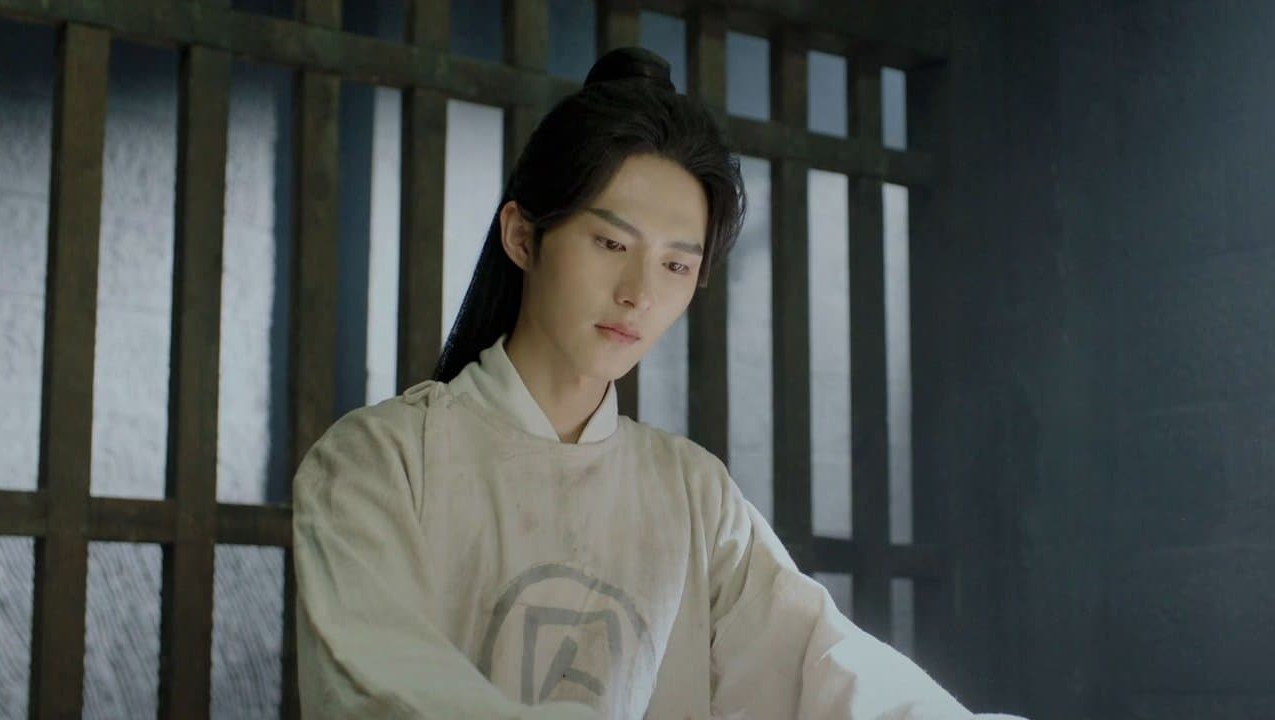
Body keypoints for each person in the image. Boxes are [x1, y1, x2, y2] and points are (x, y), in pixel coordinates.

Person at [294, 47, 1026, 720]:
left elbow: (824, 669)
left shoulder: (692, 496)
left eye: (677, 265)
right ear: (522, 236)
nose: (639, 293)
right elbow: (389, 694)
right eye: (611, 242)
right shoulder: (380, 463)